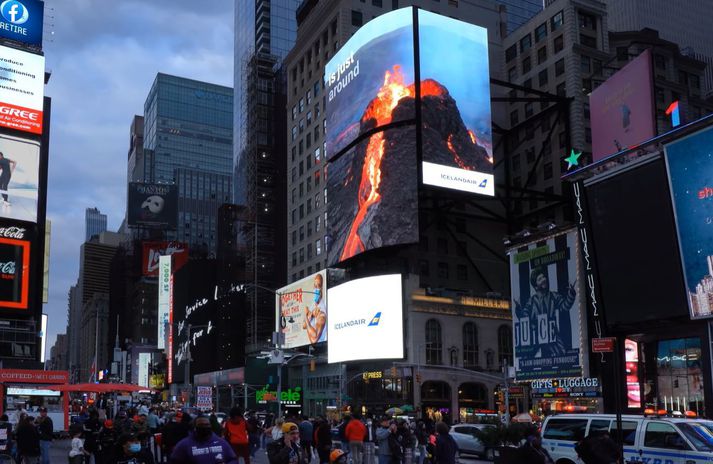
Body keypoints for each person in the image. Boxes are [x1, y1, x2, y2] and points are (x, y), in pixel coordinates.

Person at [514, 267, 577, 357]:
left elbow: (564, 307)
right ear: (536, 286)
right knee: (526, 357)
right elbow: (524, 317)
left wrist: (571, 294)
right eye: (540, 279)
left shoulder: (553, 296)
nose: (544, 279)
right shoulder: (531, 301)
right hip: (535, 334)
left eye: (544, 277)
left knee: (561, 354)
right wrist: (518, 309)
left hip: (551, 333)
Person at [169, 415, 237, 464]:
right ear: (195, 427)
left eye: (207, 424)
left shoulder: (221, 443)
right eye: (201, 425)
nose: (204, 427)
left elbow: (233, 459)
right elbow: (174, 461)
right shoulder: (184, 445)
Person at [304, 273, 327, 344]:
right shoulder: (312, 305)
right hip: (312, 348)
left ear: (322, 288)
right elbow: (304, 326)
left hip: (321, 345)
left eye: (318, 286)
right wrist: (310, 315)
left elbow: (314, 339)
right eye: (315, 285)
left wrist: (306, 316)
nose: (316, 288)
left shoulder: (322, 312)